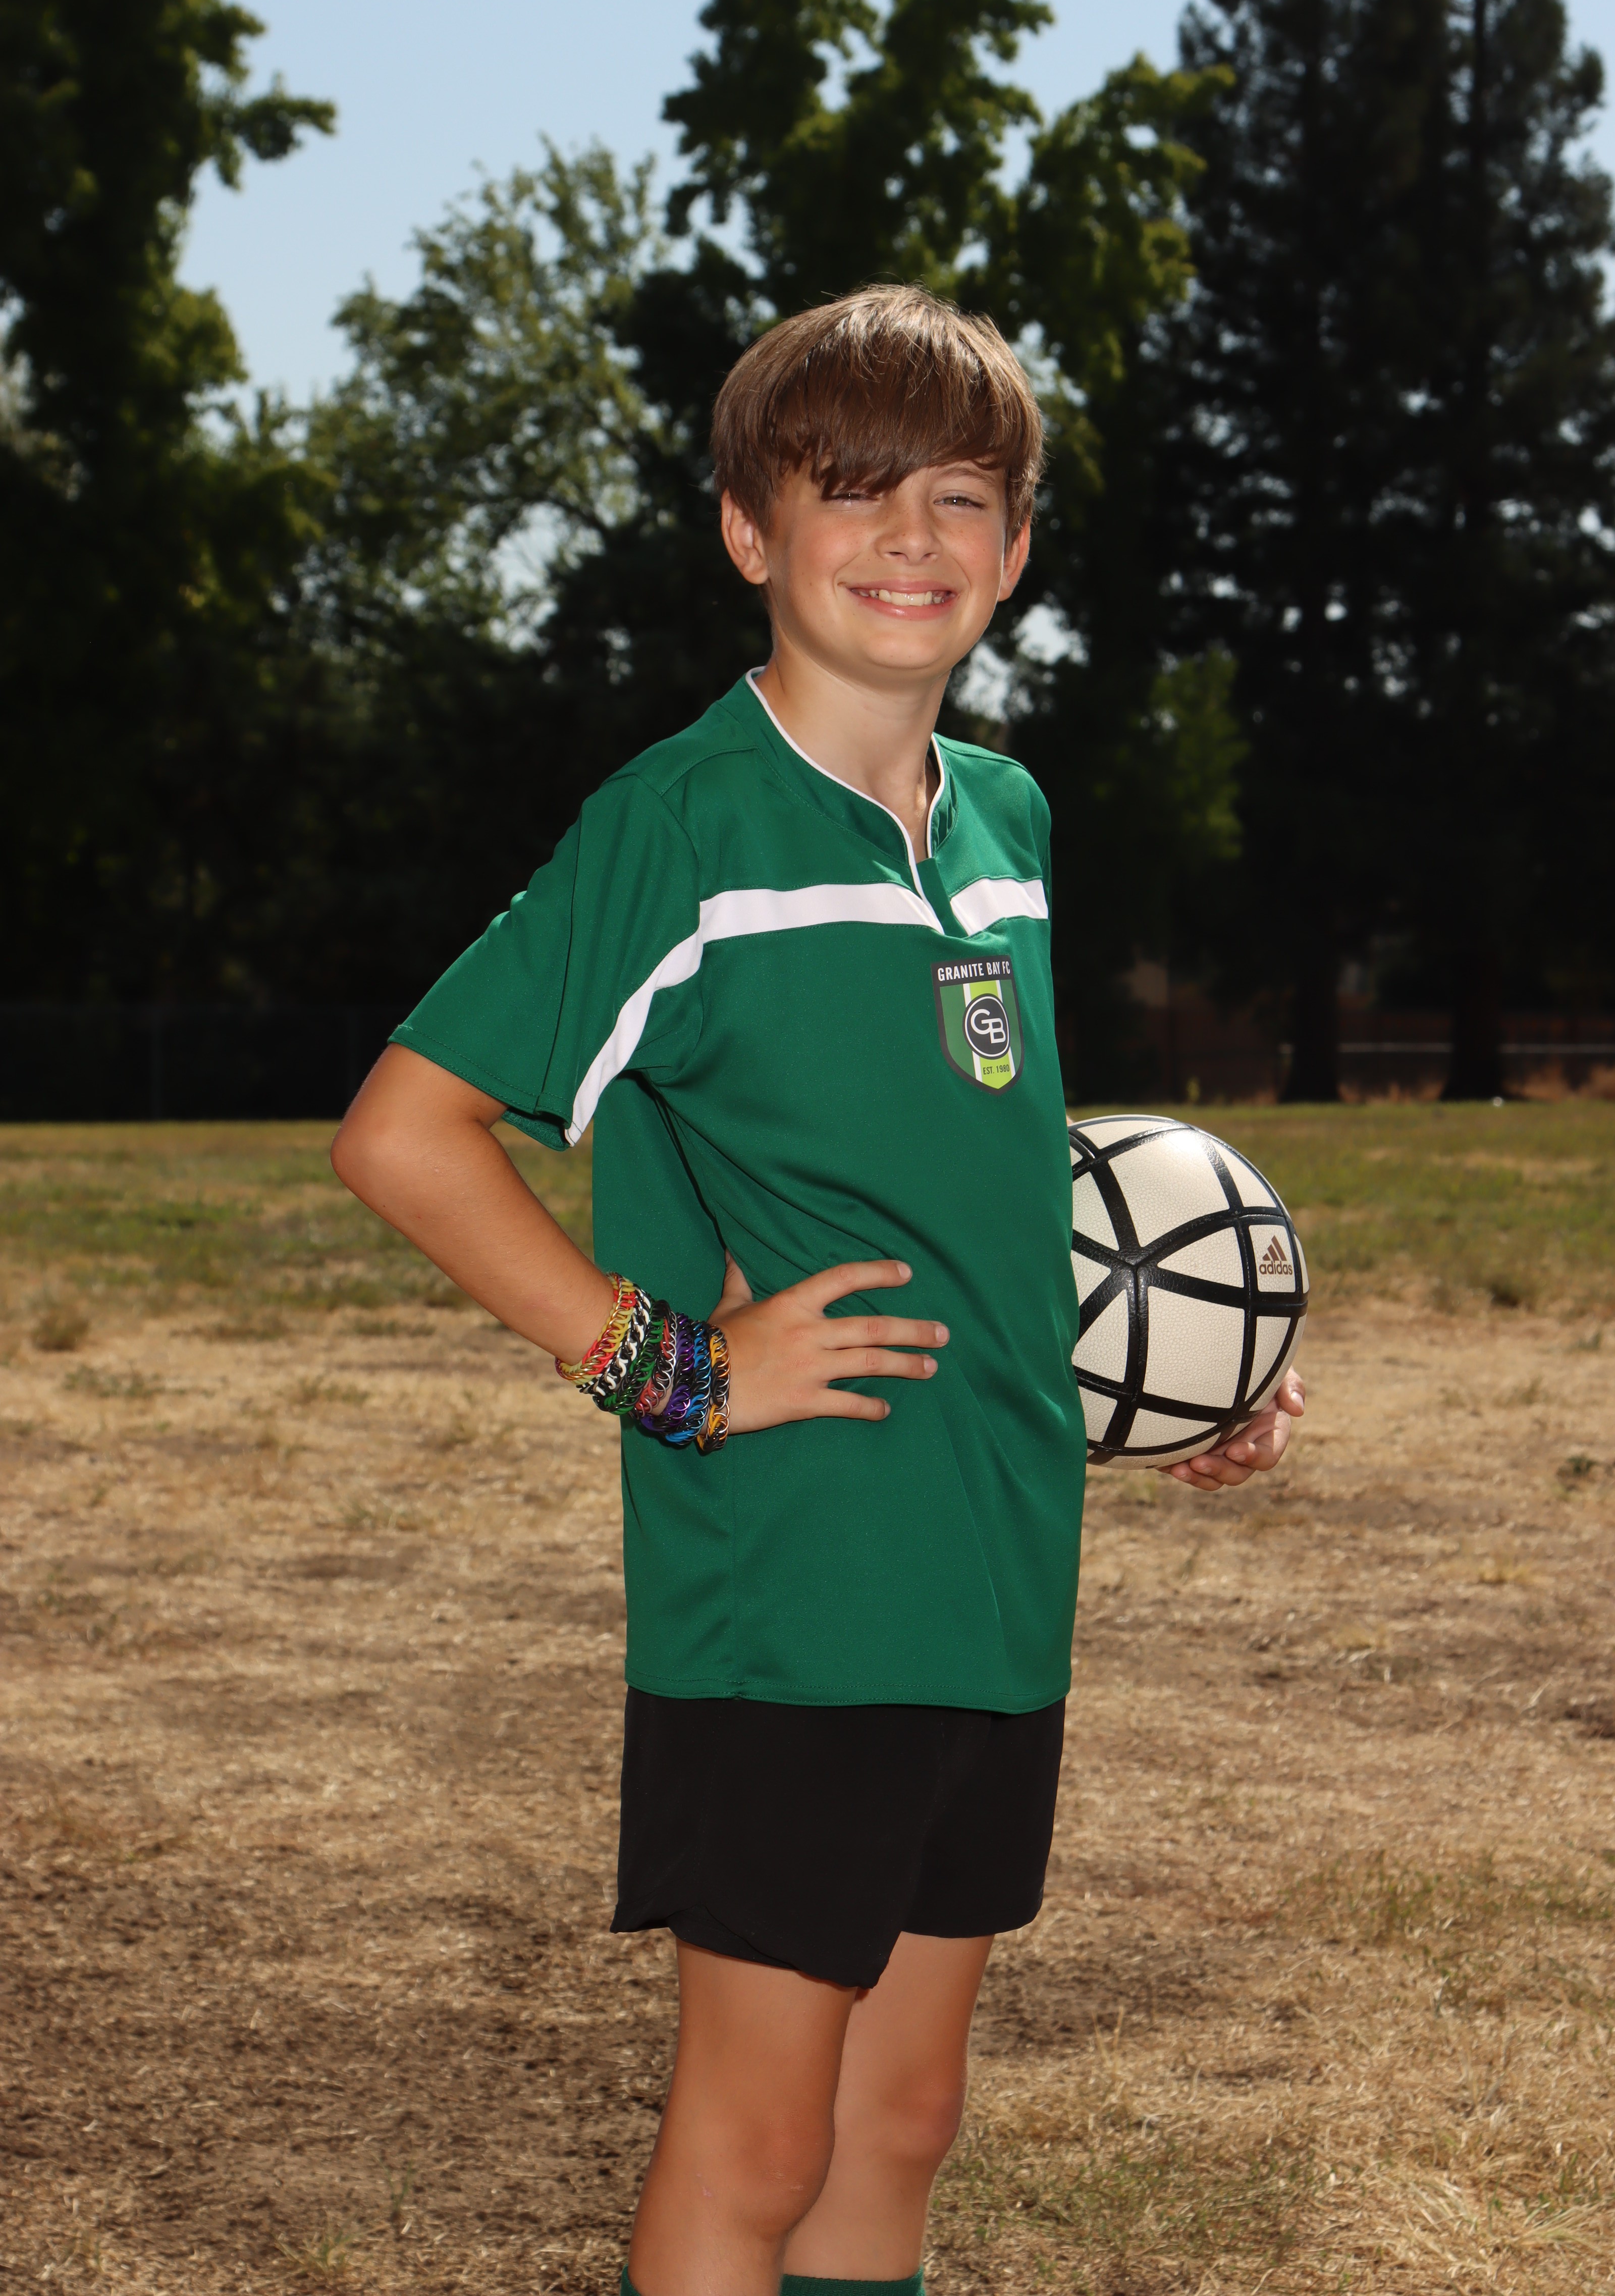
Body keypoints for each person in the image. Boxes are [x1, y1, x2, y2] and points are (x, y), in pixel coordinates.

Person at [331, 285, 1304, 2296]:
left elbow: (978, 1163)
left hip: (992, 1569)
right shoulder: (681, 827)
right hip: (792, 1592)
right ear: (748, 530)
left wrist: (1173, 1372)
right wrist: (668, 1368)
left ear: (1015, 549)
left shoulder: (1006, 821)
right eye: (850, 491)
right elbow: (404, 1134)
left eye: (960, 498)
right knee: (761, 2135)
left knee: (900, 2119)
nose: (909, 539)